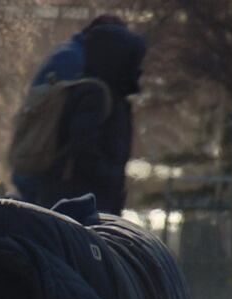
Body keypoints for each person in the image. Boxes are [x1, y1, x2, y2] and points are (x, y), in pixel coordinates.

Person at [12, 14, 127, 202]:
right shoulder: (76, 63)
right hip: (43, 177)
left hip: (38, 173)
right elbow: (54, 125)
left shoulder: (70, 55)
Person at [34, 24, 146, 215]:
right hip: (81, 208)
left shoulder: (103, 93)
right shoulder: (95, 95)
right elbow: (83, 149)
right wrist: (109, 178)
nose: (138, 69)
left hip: (88, 205)